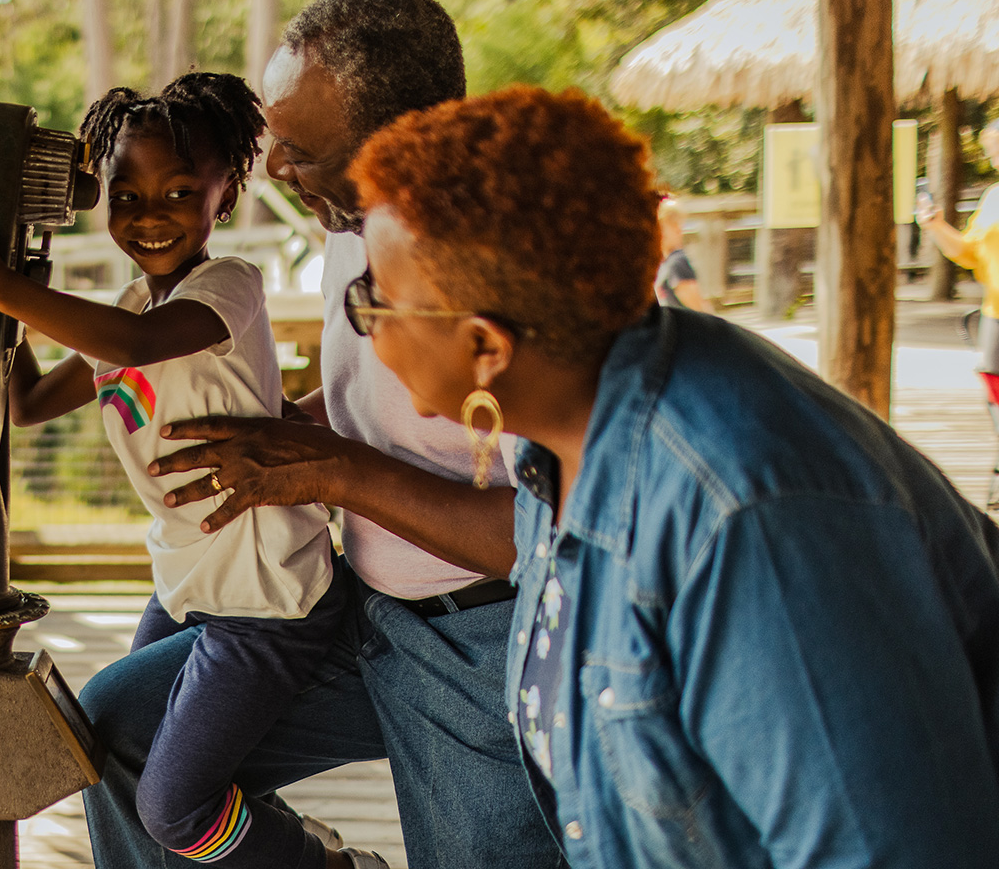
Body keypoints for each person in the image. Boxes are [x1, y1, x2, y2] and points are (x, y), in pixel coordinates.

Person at [351, 85, 999, 866]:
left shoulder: (749, 516)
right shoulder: (559, 447)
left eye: (377, 301)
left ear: (485, 348)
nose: (368, 325)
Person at [82, 0, 567, 869]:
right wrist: (264, 431)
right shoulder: (354, 218)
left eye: (299, 147)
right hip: (356, 610)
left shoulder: (505, 272)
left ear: (395, 141)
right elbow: (369, 405)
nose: (272, 168)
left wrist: (327, 469)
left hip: (482, 641)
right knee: (115, 735)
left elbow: (538, 539)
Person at [0, 73, 363, 869]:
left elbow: (130, 352)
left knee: (173, 805)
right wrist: (6, 292)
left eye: (176, 191)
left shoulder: (227, 288)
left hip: (267, 600)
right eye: (126, 196)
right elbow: (25, 404)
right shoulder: (128, 305)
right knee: (104, 743)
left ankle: (314, 858)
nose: (149, 214)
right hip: (191, 582)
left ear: (223, 195)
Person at [920, 119, 999, 401]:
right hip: (995, 316)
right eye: (991, 151)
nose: (992, 159)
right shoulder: (993, 199)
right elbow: (969, 253)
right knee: (996, 394)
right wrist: (936, 226)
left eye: (996, 150)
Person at [653, 197, 706, 310]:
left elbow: (697, 309)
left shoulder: (677, 262)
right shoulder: (666, 263)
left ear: (677, 229)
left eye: (661, 229)